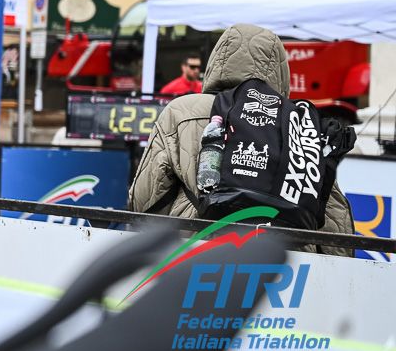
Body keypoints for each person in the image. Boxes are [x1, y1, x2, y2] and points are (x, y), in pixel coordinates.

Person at [128, 23, 354, 256]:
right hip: (284, 259)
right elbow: (334, 215)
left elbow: (145, 197)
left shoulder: (182, 110)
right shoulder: (299, 122)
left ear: (217, 60)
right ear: (280, 71)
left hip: (198, 252)